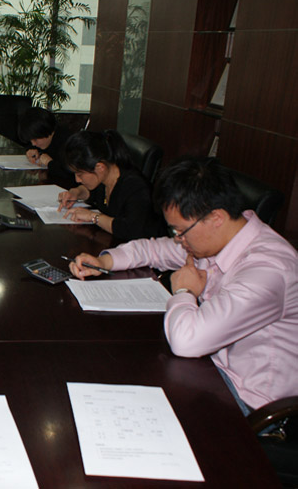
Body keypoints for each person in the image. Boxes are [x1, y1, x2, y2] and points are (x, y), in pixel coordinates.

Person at [68, 157, 298, 413]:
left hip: (247, 399)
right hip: (209, 365)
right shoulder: (221, 235)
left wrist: (184, 291)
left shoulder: (268, 270)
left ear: (216, 218)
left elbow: (187, 341)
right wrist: (105, 261)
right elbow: (153, 249)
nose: (178, 240)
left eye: (180, 232)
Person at [57, 130, 166, 240]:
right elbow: (92, 192)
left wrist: (93, 216)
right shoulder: (105, 176)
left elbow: (130, 230)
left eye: (80, 174)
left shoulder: (135, 187)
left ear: (100, 167)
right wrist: (77, 193)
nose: (77, 179)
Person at [17, 107, 75, 184]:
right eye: (31, 140)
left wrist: (49, 163)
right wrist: (31, 150)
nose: (33, 143)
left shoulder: (69, 143)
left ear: (44, 130)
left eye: (35, 139)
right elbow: (32, 145)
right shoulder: (44, 138)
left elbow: (72, 175)